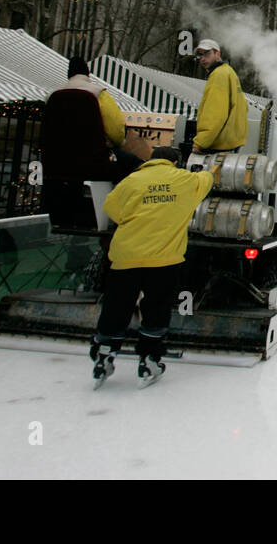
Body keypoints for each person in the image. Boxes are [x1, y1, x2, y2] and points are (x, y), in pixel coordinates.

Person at [91, 145, 215, 387]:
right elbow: (208, 178)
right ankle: (149, 358)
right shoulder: (186, 180)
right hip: (164, 260)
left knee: (117, 306)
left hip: (126, 257)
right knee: (156, 308)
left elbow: (111, 209)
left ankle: (104, 353)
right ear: (175, 162)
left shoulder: (132, 180)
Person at [40, 56, 140, 229]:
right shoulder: (98, 93)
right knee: (134, 164)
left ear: (68, 74)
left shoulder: (52, 96)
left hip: (57, 166)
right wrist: (120, 142)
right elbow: (116, 130)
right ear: (88, 73)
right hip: (93, 164)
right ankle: (124, 218)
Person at [192, 39, 247, 155]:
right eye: (200, 55)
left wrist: (200, 142)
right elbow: (244, 107)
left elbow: (215, 114)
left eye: (207, 54)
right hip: (233, 142)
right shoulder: (229, 72)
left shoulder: (218, 75)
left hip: (219, 144)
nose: (202, 59)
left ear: (218, 54)